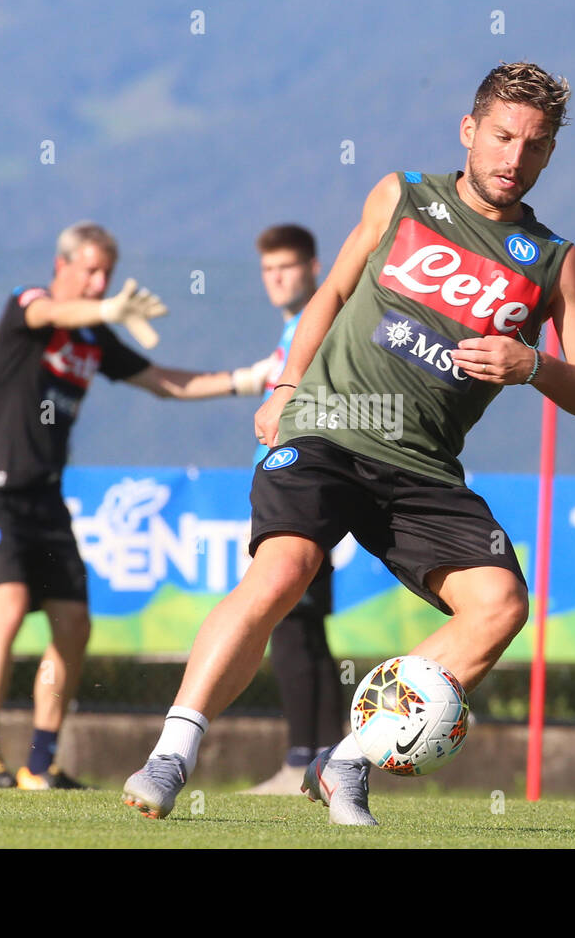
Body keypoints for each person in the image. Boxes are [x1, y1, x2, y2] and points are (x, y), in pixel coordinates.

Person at [123, 61, 575, 824]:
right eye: (502, 135)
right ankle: (173, 753)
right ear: (470, 130)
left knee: (499, 604)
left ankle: (343, 760)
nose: (514, 157)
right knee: (285, 568)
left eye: (535, 144)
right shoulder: (402, 196)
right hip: (328, 426)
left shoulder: (557, 264)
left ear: (551, 154)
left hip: (421, 467)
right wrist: (287, 387)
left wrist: (534, 365)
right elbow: (331, 293)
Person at [0, 220, 253, 790]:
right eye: (90, 270)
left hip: (45, 496)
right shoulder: (29, 305)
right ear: (61, 265)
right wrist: (109, 308)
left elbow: (165, 382)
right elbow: (52, 315)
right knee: (11, 604)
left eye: (107, 274)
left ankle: (38, 764)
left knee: (74, 624)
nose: (98, 282)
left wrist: (247, 379)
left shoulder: (95, 338)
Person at [230, 225, 345, 796]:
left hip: (303, 479)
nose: (276, 278)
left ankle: (305, 758)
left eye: (287, 267)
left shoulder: (319, 322)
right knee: (302, 623)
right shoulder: (290, 331)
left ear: (313, 268)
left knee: (292, 621)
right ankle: (322, 762)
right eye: (267, 268)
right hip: (292, 480)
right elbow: (261, 379)